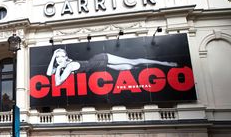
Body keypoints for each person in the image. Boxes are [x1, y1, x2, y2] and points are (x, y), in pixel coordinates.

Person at [46, 48, 178, 86]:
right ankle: (148, 67)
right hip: (101, 65)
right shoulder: (64, 66)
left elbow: (57, 83)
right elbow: (48, 74)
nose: (59, 59)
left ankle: (164, 64)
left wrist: (58, 68)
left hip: (102, 59)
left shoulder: (69, 66)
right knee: (129, 68)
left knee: (133, 62)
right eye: (57, 57)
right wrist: (52, 58)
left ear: (65, 57)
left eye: (61, 56)